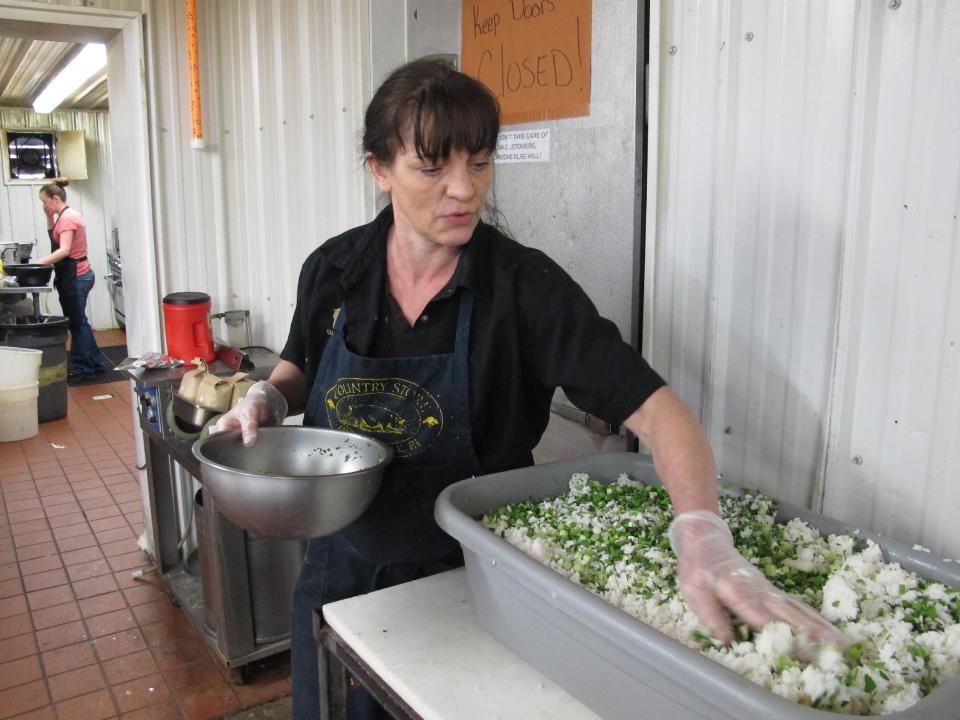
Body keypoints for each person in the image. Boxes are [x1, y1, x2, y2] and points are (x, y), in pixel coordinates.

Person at [217, 59, 844, 719]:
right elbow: (298, 367)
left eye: (480, 163)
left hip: (472, 578)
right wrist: (267, 398)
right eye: (432, 168)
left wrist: (702, 531)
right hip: (340, 563)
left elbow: (662, 416)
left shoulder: (524, 289)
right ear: (380, 169)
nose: (464, 190)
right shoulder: (334, 268)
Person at [37, 179, 109, 381]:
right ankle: (94, 362)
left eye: (45, 202)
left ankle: (82, 367)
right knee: (80, 322)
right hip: (76, 275)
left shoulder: (68, 218)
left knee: (77, 324)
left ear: (56, 198)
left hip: (77, 276)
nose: (44, 206)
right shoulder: (64, 217)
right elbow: (56, 241)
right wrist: (49, 217)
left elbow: (64, 250)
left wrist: (39, 263)